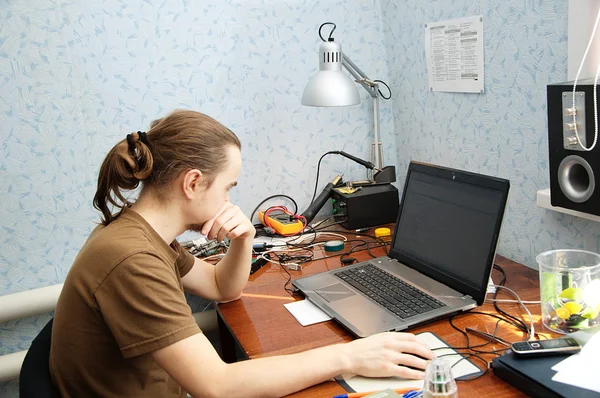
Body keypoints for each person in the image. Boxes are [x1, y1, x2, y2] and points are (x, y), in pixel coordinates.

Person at [49, 110, 435, 397]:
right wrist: (350, 356)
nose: (229, 199)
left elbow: (222, 287)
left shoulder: (142, 233)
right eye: (228, 187)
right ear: (193, 182)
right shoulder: (132, 259)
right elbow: (217, 387)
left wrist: (244, 237)